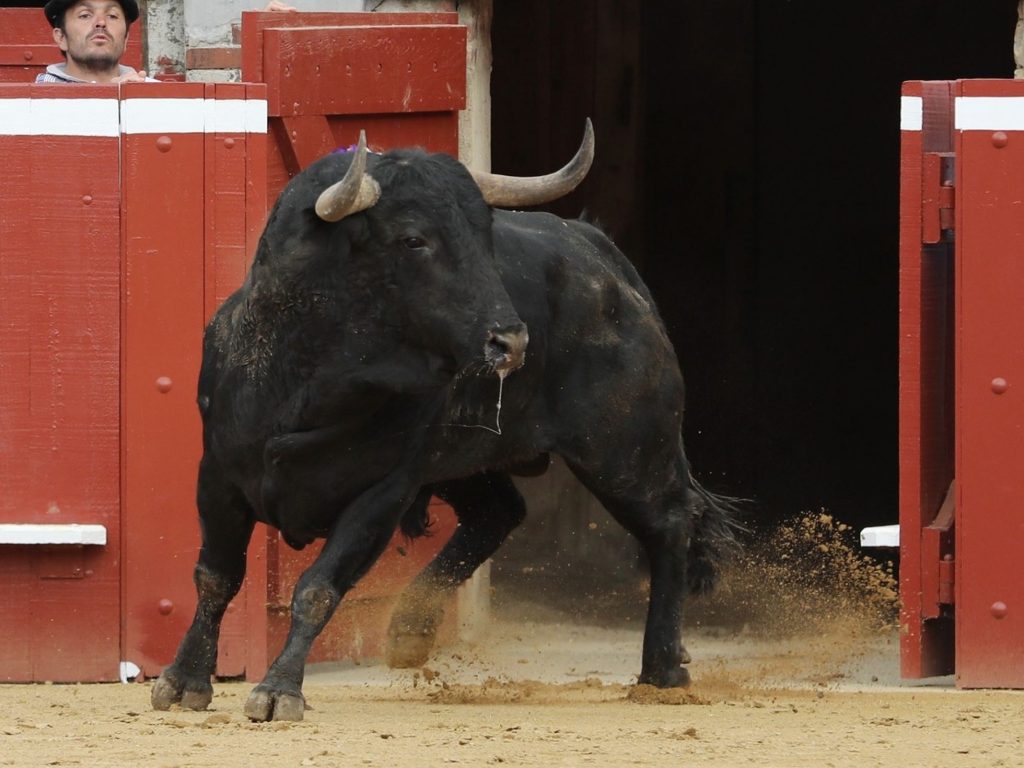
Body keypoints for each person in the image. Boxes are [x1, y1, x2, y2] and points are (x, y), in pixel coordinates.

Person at [36, 0, 298, 85]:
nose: (101, 22)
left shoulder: (150, 90)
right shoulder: (31, 100)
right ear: (60, 37)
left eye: (113, 15)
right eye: (85, 15)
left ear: (127, 39)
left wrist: (271, 37)